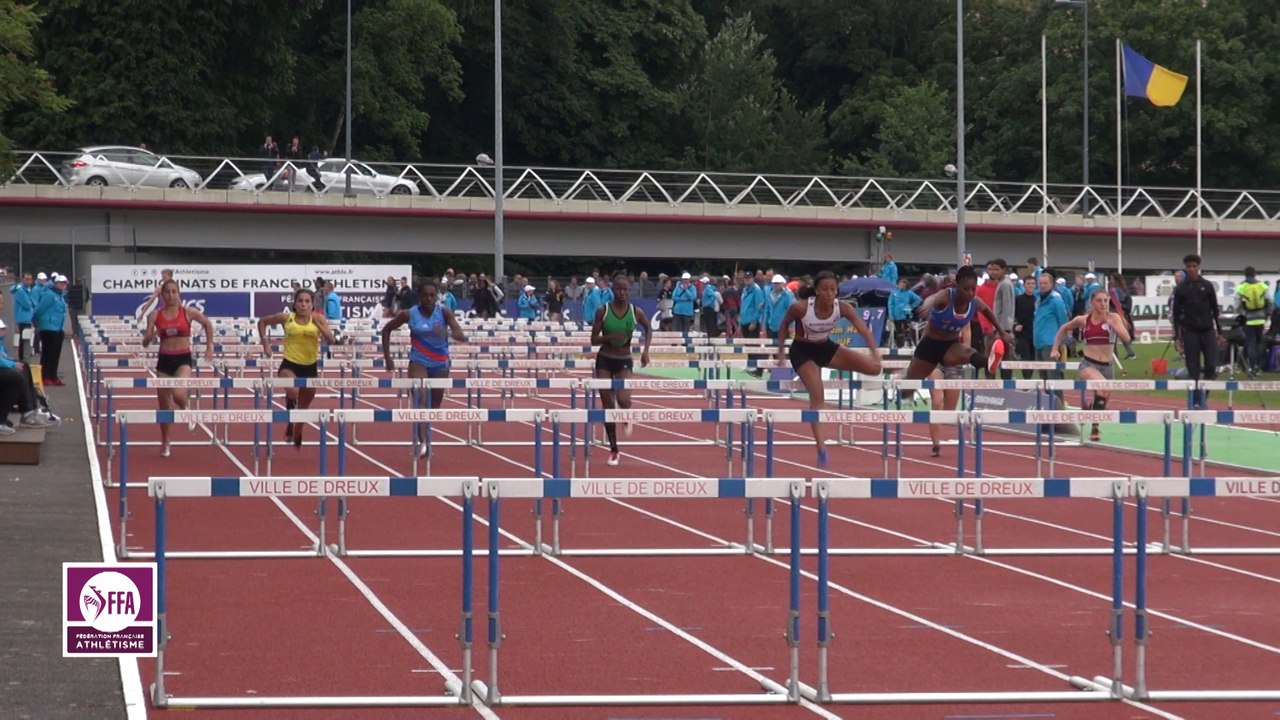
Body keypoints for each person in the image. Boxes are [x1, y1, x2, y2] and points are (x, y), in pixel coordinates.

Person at [775, 271, 883, 466]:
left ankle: (810, 375)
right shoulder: (800, 308)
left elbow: (863, 329)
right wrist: (781, 353)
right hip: (802, 350)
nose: (829, 293)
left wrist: (874, 351)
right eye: (825, 289)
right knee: (818, 397)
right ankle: (821, 448)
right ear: (816, 291)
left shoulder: (843, 308)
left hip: (825, 348)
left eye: (833, 289)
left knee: (875, 369)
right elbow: (783, 326)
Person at [899, 266, 1013, 403]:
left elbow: (988, 311)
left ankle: (989, 362)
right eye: (966, 289)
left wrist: (1002, 332)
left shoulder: (974, 302)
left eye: (973, 289)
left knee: (971, 353)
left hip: (950, 346)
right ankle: (902, 377)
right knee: (907, 390)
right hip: (929, 347)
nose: (970, 293)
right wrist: (928, 305)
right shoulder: (947, 296)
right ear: (957, 285)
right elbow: (933, 298)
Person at [381, 283, 468, 457]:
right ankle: (424, 442)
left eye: (431, 296)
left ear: (436, 297)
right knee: (420, 396)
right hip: (418, 362)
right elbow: (387, 329)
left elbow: (461, 336)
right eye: (425, 296)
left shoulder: (444, 312)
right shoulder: (409, 313)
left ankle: (425, 431)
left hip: (440, 364)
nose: (428, 299)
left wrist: (446, 333)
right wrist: (388, 357)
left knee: (434, 406)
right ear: (419, 297)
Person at [142, 279, 215, 457]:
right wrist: (150, 335)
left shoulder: (187, 312)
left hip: (183, 359)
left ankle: (185, 408)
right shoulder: (154, 316)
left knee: (179, 394)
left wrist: (210, 346)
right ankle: (165, 442)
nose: (171, 295)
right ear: (163, 295)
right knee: (164, 407)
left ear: (179, 293)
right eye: (167, 292)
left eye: (174, 292)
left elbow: (207, 324)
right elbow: (145, 343)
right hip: (164, 361)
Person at [1050, 289, 1132, 442]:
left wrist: (1114, 325)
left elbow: (1126, 338)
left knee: (1102, 398)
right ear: (1092, 302)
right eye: (1099, 301)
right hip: (1088, 364)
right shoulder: (1083, 320)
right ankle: (1092, 417)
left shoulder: (1113, 318)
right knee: (1102, 387)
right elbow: (1063, 328)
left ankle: (1094, 424)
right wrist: (1055, 349)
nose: (1103, 304)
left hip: (1107, 366)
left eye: (1106, 301)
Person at [258, 289, 337, 448]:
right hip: (289, 364)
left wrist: (319, 325)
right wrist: (265, 343)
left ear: (312, 304)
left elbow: (331, 340)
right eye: (300, 301)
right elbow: (262, 322)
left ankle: (294, 426)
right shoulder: (287, 318)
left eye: (307, 301)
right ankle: (291, 411)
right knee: (293, 390)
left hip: (310, 367)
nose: (303, 304)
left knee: (303, 407)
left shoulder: (318, 319)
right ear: (294, 303)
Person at [590, 274, 652, 466]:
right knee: (607, 404)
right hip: (605, 359)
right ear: (613, 290)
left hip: (624, 358)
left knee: (624, 399)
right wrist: (609, 337)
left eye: (625, 289)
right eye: (619, 289)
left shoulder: (635, 311)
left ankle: (625, 414)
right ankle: (614, 450)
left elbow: (649, 329)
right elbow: (593, 339)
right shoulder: (603, 311)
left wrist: (645, 351)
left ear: (629, 291)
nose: (622, 292)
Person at [1170, 253, 1221, 408]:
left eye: (1194, 266)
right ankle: (1196, 401)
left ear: (1198, 267)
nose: (1191, 269)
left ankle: (1203, 396)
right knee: (1193, 369)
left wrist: (1220, 332)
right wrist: (1177, 338)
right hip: (1190, 332)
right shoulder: (1180, 288)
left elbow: (1215, 309)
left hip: (1207, 331)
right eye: (1188, 267)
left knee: (1212, 366)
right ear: (1185, 268)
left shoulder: (1207, 285)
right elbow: (1176, 314)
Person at [34, 274, 69, 386]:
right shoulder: (49, 294)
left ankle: (53, 376)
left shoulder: (60, 296)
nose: (63, 285)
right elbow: (40, 309)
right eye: (61, 283)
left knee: (55, 354)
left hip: (58, 328)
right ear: (56, 283)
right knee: (47, 353)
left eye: (64, 283)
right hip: (48, 327)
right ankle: (45, 376)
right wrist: (35, 321)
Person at [1235, 266, 1270, 376]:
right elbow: (1269, 301)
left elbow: (1237, 304)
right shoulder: (1263, 286)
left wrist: (1243, 314)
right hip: (1261, 318)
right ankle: (1258, 367)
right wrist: (1266, 315)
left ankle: (1251, 367)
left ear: (1244, 274)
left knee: (1251, 342)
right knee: (1259, 343)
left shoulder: (1241, 287)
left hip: (1249, 319)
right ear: (1255, 274)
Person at [10, 272, 36, 360]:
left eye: (30, 279)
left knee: (24, 338)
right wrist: (32, 306)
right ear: (23, 280)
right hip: (23, 318)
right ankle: (23, 358)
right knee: (24, 338)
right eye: (27, 279)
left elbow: (31, 302)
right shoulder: (21, 291)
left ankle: (23, 357)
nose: (29, 281)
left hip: (26, 318)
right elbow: (27, 304)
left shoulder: (27, 289)